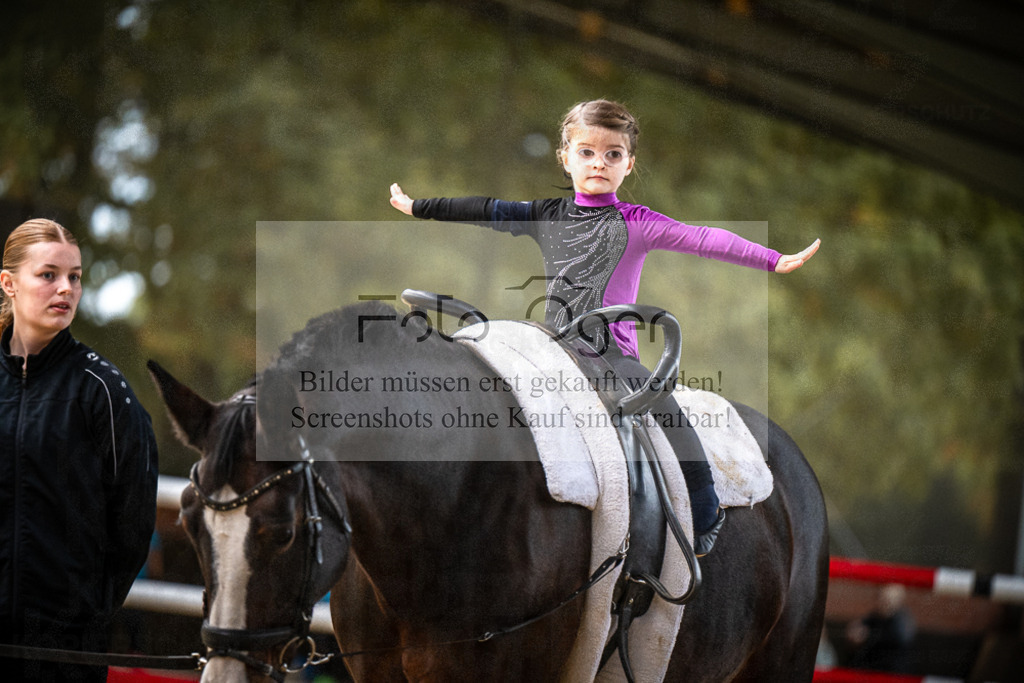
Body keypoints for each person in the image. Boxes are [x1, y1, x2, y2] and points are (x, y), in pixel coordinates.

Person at [389, 99, 819, 555]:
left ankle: (705, 508)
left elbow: (704, 239)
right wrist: (419, 206)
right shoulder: (546, 215)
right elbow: (485, 208)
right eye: (588, 152)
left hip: (611, 357)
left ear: (628, 164)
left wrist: (772, 259)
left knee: (666, 408)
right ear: (566, 157)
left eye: (613, 154)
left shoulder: (638, 223)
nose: (599, 163)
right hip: (551, 349)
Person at [0, 218, 159, 682]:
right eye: (48, 275)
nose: (65, 288)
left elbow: (132, 525)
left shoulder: (104, 391)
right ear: (9, 283)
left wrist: (85, 615)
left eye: (75, 277)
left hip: (66, 654)